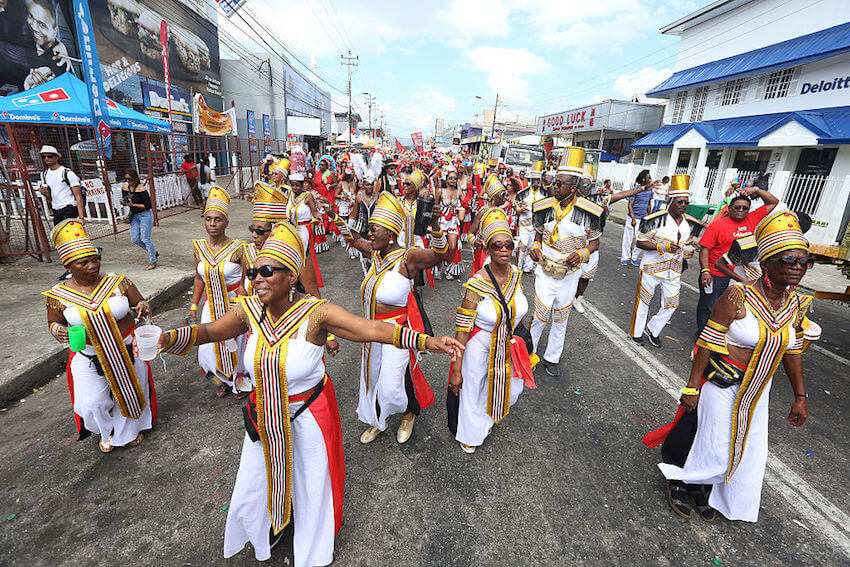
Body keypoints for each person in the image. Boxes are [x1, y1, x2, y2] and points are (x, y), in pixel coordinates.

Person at [155, 222, 463, 564]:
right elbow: (210, 331)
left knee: (311, 485)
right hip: (264, 418)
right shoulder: (249, 312)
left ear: (291, 277)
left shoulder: (317, 314)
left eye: (267, 271)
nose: (256, 278)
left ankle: (311, 549)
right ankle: (271, 526)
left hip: (309, 417)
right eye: (254, 270)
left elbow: (373, 328)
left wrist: (427, 342)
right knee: (256, 481)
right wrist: (169, 339)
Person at [645, 210, 820, 523]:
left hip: (758, 390)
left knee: (749, 449)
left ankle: (704, 486)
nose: (798, 267)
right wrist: (692, 387)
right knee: (713, 440)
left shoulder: (796, 304)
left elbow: (792, 351)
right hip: (724, 382)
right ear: (766, 263)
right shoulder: (738, 295)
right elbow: (707, 343)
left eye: (804, 262)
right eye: (789, 260)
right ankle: (680, 481)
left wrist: (801, 396)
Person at [348, 191, 452, 444]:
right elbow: (354, 238)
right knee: (370, 380)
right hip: (371, 332)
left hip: (398, 333)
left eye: (375, 230)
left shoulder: (408, 258)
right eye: (370, 230)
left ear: (390, 234)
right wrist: (345, 212)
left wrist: (435, 225)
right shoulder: (374, 255)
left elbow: (442, 255)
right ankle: (378, 420)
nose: (370, 234)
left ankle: (408, 413)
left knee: (392, 384)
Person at [44, 219, 155, 453]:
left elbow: (140, 302)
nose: (92, 265)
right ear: (68, 266)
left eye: (95, 259)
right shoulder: (58, 295)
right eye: (84, 262)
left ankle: (129, 432)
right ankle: (106, 430)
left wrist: (143, 307)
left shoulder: (116, 282)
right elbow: (53, 324)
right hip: (89, 355)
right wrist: (59, 331)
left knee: (131, 392)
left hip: (126, 349)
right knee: (92, 403)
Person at [449, 208, 534, 453]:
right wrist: (456, 369)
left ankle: (486, 419)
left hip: (508, 343)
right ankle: (470, 433)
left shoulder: (517, 275)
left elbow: (517, 311)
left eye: (509, 244)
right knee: (473, 389)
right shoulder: (476, 284)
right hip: (480, 342)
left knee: (514, 388)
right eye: (498, 245)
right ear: (487, 249)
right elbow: (462, 328)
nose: (505, 249)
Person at [528, 147, 604, 377]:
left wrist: (581, 254)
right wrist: (535, 247)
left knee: (561, 318)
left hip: (570, 274)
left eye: (559, 184)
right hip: (545, 270)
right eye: (554, 182)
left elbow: (595, 243)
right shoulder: (542, 206)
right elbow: (539, 234)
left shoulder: (590, 211)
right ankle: (529, 354)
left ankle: (552, 357)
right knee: (540, 316)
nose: (554, 186)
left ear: (573, 188)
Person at [186, 187, 249, 398]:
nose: (212, 224)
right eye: (208, 219)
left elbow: (249, 276)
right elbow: (198, 278)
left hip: (233, 304)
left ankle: (239, 382)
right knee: (208, 348)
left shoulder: (239, 248)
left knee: (236, 346)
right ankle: (221, 380)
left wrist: (243, 294)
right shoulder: (199, 247)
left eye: (218, 219)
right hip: (209, 305)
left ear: (227, 222)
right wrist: (194, 307)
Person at [628, 175, 702, 347]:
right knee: (644, 302)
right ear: (671, 201)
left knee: (672, 304)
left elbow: (686, 244)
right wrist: (663, 247)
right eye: (680, 202)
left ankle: (653, 329)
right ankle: (636, 332)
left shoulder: (689, 223)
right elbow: (640, 242)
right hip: (651, 269)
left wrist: (686, 252)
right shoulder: (655, 219)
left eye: (686, 203)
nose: (683, 206)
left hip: (673, 271)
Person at [696, 186, 779, 339]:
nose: (741, 210)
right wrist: (705, 271)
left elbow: (773, 202)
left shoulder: (753, 218)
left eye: (744, 208)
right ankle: (703, 336)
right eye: (737, 207)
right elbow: (704, 249)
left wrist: (755, 190)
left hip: (741, 274)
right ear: (729, 208)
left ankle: (722, 337)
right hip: (717, 274)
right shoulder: (717, 225)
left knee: (732, 308)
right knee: (709, 306)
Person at [573, 174, 651, 314]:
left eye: (589, 185)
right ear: (577, 186)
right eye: (584, 185)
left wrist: (642, 189)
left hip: (592, 245)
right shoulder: (570, 201)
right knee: (570, 275)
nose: (587, 188)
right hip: (573, 244)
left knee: (586, 277)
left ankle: (577, 299)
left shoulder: (597, 200)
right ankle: (566, 297)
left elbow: (622, 195)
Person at [23, 0, 73, 90]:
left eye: (42, 25)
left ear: (55, 32)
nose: (33, 26)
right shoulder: (24, 37)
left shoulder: (60, 60)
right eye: (30, 16)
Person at [287, 171, 324, 288]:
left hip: (304, 229)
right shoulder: (290, 194)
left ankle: (303, 278)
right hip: (292, 228)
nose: (294, 188)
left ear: (302, 185)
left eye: (297, 185)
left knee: (301, 254)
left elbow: (314, 212)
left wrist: (319, 216)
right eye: (292, 185)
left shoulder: (308, 196)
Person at [37, 144, 84, 226]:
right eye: (43, 157)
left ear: (57, 157)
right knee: (61, 236)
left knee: (69, 235)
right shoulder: (44, 174)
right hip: (56, 209)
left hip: (69, 208)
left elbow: (78, 196)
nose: (46, 159)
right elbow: (50, 195)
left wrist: (81, 217)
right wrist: (44, 192)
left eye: (49, 156)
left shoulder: (67, 173)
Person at [120, 169, 157, 270]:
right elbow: (125, 200)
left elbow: (147, 206)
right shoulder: (124, 187)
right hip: (134, 215)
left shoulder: (141, 189)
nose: (128, 181)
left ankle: (152, 261)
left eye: (130, 179)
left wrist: (133, 204)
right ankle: (152, 252)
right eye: (126, 179)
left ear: (135, 178)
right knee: (135, 239)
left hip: (145, 215)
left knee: (146, 238)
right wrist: (124, 202)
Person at [621, 170, 656, 267]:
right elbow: (630, 205)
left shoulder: (650, 191)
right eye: (649, 177)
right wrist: (632, 219)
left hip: (643, 219)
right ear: (644, 179)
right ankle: (625, 257)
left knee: (641, 239)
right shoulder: (635, 190)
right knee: (628, 239)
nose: (650, 179)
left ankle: (634, 258)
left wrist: (649, 217)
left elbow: (649, 204)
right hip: (633, 218)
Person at [516, 169, 548, 273]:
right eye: (534, 179)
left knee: (531, 246)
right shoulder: (523, 193)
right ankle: (518, 267)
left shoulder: (545, 194)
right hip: (524, 224)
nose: (536, 182)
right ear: (531, 179)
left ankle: (528, 267)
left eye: (538, 180)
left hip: (537, 226)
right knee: (523, 245)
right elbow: (516, 205)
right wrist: (520, 210)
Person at [436, 167, 465, 280]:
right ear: (446, 180)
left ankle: (448, 268)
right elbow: (435, 205)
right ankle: (438, 268)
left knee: (452, 247)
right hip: (442, 222)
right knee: (440, 247)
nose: (453, 180)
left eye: (455, 178)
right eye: (450, 178)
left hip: (453, 222)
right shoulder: (440, 191)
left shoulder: (459, 192)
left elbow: (465, 204)